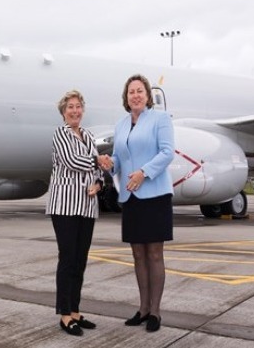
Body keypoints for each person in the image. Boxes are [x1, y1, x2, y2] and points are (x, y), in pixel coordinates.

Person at [101, 74, 175, 333]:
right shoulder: (121, 125)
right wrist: (110, 165)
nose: (135, 95)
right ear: (126, 97)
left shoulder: (160, 119)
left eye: (140, 91)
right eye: (131, 91)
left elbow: (167, 152)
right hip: (131, 197)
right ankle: (142, 309)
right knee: (137, 254)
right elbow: (120, 160)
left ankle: (155, 311)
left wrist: (144, 172)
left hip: (154, 194)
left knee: (154, 254)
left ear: (147, 95)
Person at [45, 89, 106, 336]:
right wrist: (99, 161)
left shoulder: (89, 136)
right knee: (67, 258)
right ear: (63, 112)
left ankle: (76, 311)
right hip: (65, 206)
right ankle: (64, 314)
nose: (75, 111)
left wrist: (99, 183)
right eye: (70, 107)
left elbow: (99, 174)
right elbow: (72, 161)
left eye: (78, 106)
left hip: (87, 207)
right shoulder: (60, 135)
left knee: (80, 261)